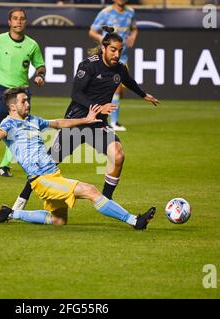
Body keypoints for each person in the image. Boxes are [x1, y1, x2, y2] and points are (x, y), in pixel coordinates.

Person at [11, 27, 158, 212]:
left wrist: (144, 95)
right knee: (47, 163)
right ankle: (23, 197)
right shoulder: (88, 65)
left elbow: (128, 81)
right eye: (113, 49)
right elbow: (76, 93)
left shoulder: (120, 69)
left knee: (118, 155)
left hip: (97, 126)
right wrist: (98, 108)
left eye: (120, 51)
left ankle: (106, 201)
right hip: (76, 122)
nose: (117, 54)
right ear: (104, 48)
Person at [0, 87, 156, 230]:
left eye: (28, 100)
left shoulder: (32, 120)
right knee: (91, 190)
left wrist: (85, 120)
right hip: (41, 180)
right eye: (23, 101)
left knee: (58, 220)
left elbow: (59, 123)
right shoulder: (9, 123)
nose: (28, 103)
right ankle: (135, 221)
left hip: (53, 175)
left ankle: (11, 213)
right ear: (13, 107)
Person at [0, 8, 46, 177]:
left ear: (25, 22)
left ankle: (4, 167)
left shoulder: (32, 45)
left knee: (18, 130)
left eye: (22, 18)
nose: (18, 21)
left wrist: (40, 75)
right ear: (9, 22)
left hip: (21, 92)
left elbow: (40, 65)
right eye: (15, 18)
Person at [89, 0, 138, 131]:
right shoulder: (106, 13)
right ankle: (111, 122)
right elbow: (92, 31)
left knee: (118, 90)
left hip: (123, 56)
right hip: (108, 57)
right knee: (113, 87)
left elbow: (134, 28)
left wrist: (133, 36)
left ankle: (110, 121)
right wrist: (104, 41)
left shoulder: (131, 12)